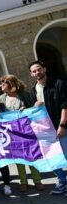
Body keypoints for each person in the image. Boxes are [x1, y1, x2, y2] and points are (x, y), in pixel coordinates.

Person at [0, 74, 45, 192]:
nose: (0, 85)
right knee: (19, 158)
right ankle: (23, 181)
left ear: (10, 84)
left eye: (3, 83)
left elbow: (33, 109)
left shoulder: (24, 95)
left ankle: (37, 180)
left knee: (32, 155)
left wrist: (28, 109)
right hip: (12, 133)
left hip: (26, 130)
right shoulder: (1, 99)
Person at [28, 60, 67, 195]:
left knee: (66, 156)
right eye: (34, 71)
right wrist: (34, 107)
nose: (37, 72)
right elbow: (33, 113)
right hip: (45, 131)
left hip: (60, 127)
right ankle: (63, 182)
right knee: (51, 158)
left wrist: (62, 125)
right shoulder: (32, 91)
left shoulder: (58, 84)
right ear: (31, 74)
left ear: (44, 69)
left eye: (39, 69)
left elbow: (65, 106)